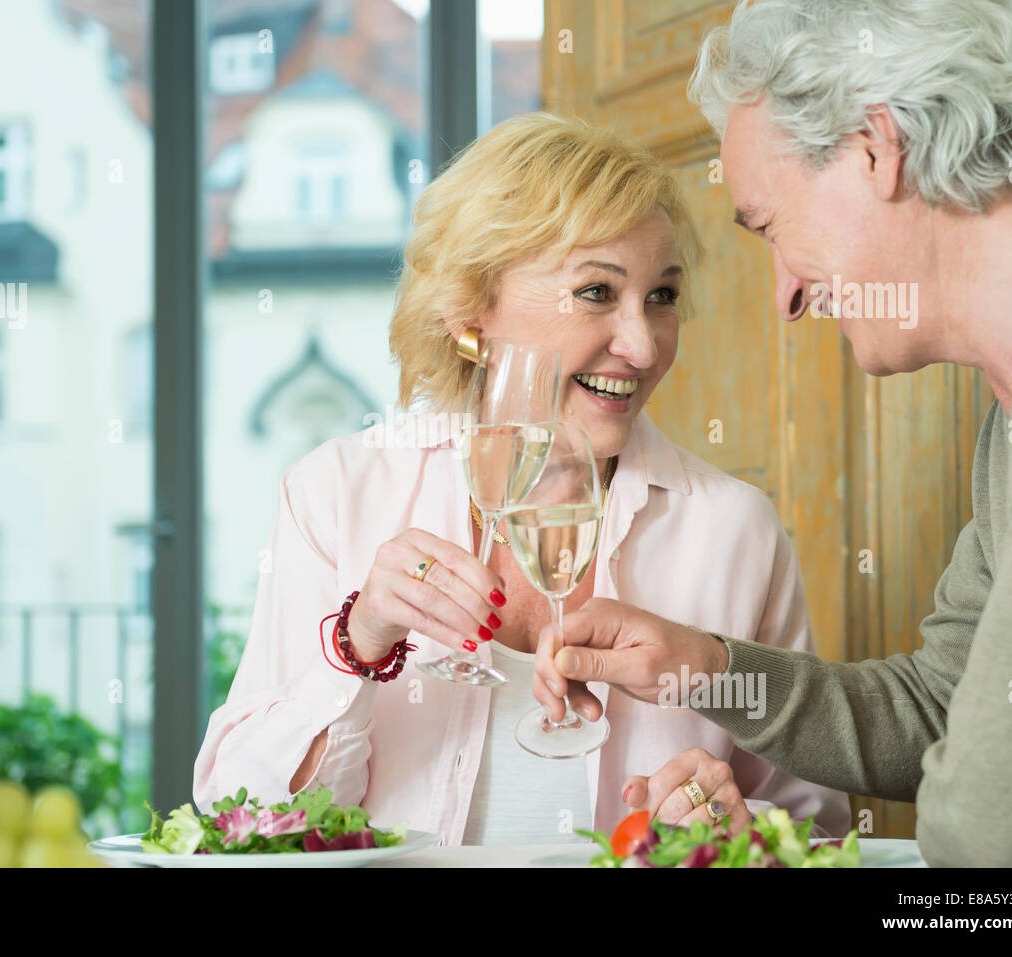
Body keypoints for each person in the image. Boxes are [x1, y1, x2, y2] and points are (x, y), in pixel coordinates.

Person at [192, 111, 849, 845]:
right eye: (598, 291)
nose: (641, 345)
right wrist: (359, 642)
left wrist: (733, 826)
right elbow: (235, 818)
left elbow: (816, 827)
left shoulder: (734, 530)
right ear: (473, 310)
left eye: (661, 296)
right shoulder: (337, 494)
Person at [534, 0, 1012, 866]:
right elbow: (942, 702)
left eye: (772, 226)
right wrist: (705, 667)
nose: (784, 295)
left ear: (873, 147)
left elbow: (998, 833)